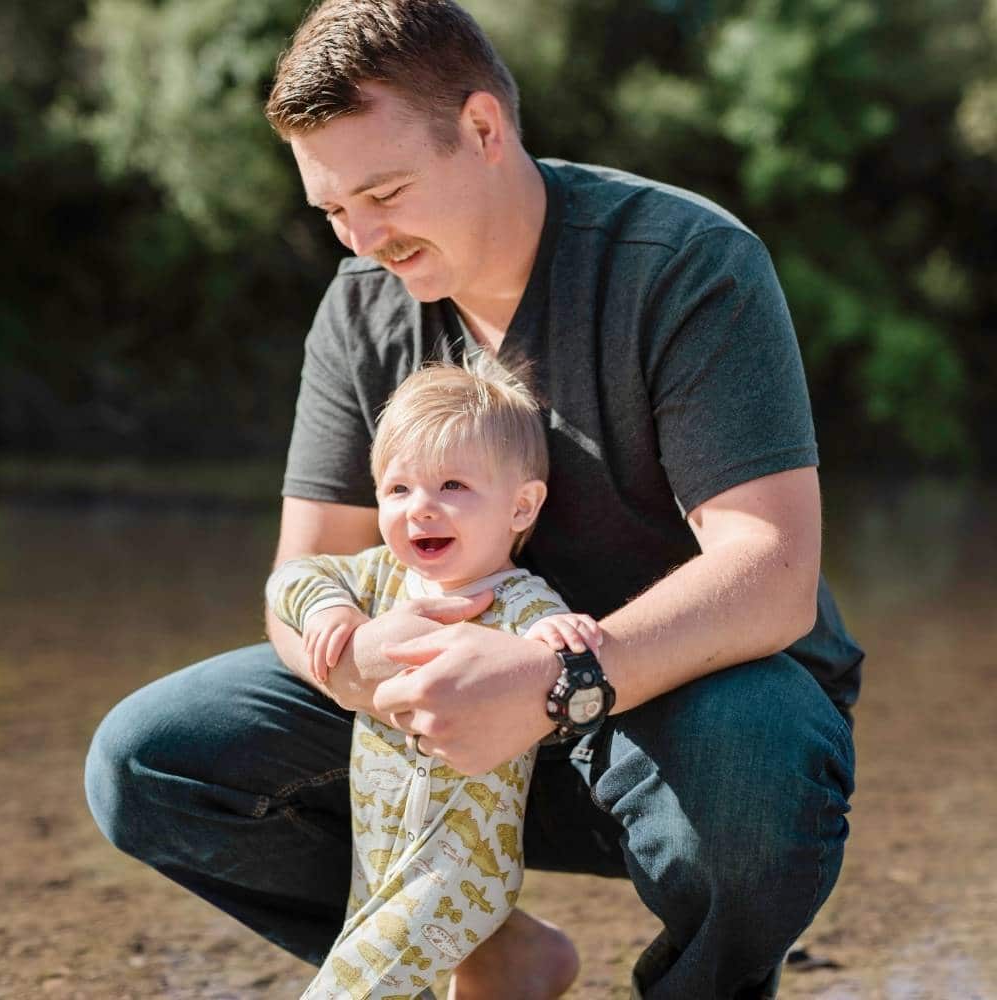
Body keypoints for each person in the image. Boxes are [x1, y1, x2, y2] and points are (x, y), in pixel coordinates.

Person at [85, 1, 864, 997]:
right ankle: (481, 942)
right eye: (333, 209)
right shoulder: (360, 304)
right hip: (441, 743)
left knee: (756, 771)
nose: (364, 238)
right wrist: (353, 656)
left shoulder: (683, 263)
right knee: (148, 763)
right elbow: (305, 572)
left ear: (484, 129)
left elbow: (774, 570)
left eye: (383, 192)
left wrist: (548, 679)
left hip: (679, 727)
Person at [266, 358, 602, 999]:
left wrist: (559, 638)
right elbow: (293, 576)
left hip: (461, 870)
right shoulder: (377, 578)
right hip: (378, 854)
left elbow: (555, 642)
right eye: (398, 489)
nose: (421, 508)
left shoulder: (520, 602)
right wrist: (329, 609)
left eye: (452, 485)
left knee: (354, 987)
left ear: (521, 507)